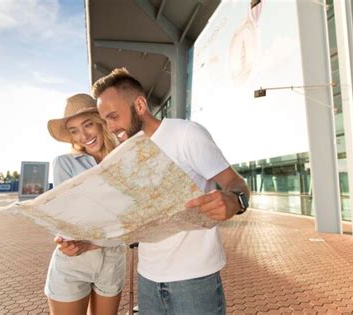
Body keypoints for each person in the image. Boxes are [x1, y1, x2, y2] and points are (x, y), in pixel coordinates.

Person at [91, 68, 250, 314]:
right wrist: (86, 240)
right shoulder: (127, 153)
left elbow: (236, 183)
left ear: (140, 105)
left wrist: (234, 200)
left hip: (194, 279)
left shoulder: (186, 134)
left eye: (114, 116)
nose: (110, 127)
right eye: (106, 120)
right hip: (148, 277)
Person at [45, 93, 126, 315]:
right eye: (74, 131)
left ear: (101, 123)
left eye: (88, 125)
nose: (83, 136)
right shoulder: (64, 164)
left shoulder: (125, 159)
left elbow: (135, 221)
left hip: (112, 259)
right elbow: (68, 216)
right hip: (74, 260)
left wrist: (94, 241)